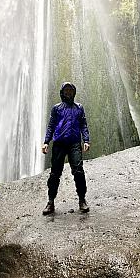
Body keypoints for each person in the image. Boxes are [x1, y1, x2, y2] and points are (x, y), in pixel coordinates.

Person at [41, 82, 90, 215]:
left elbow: (83, 124)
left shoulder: (79, 108)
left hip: (74, 143)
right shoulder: (56, 108)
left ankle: (82, 200)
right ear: (62, 93)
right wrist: (46, 142)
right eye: (66, 90)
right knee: (55, 174)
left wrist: (86, 140)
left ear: (74, 93)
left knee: (78, 171)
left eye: (71, 90)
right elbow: (51, 125)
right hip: (59, 144)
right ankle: (50, 202)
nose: (68, 92)